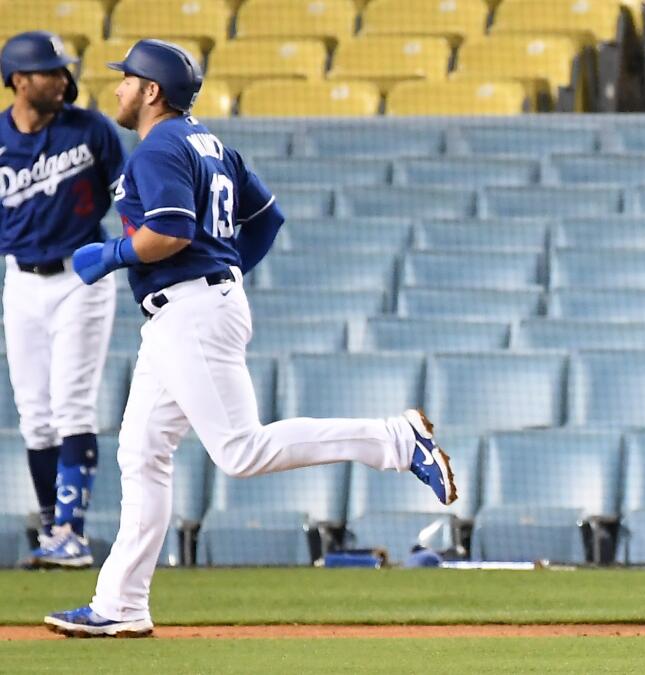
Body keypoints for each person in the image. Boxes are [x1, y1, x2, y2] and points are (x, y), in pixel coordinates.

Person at [43, 39, 457, 638]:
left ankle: (395, 440)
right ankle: (121, 604)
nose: (120, 88)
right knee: (142, 454)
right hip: (188, 310)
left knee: (240, 451)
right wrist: (226, 271)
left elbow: (172, 231)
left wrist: (111, 255)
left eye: (128, 79)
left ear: (152, 91)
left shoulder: (158, 146)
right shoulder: (211, 145)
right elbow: (267, 218)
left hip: (190, 310)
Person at [0, 31, 126, 569]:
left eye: (63, 68)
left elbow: (128, 195)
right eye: (50, 71)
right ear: (20, 81)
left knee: (72, 403)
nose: (63, 78)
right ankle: (54, 531)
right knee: (35, 415)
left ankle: (73, 533)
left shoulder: (90, 128)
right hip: (21, 280)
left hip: (83, 274)